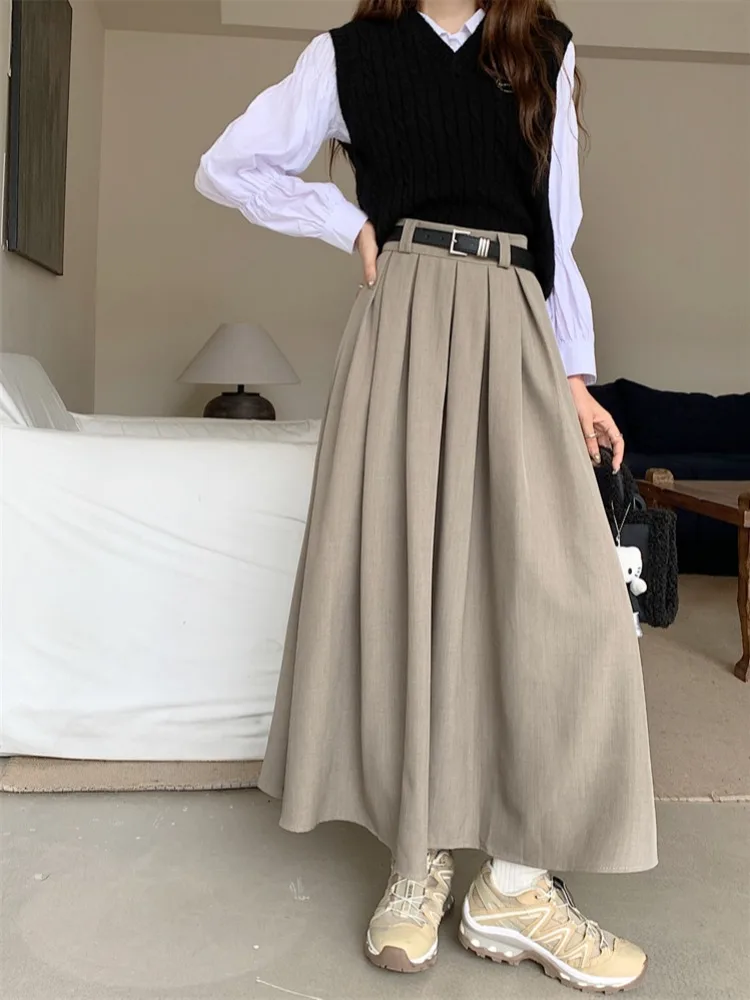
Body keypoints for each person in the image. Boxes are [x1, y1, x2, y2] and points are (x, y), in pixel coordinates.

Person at [196, 0, 657, 993]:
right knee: (406, 588)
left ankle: (516, 885)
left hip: (515, 320)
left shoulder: (543, 49)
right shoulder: (349, 54)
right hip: (401, 327)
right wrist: (345, 221)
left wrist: (576, 378)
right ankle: (416, 861)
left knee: (562, 599)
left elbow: (560, 232)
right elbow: (228, 164)